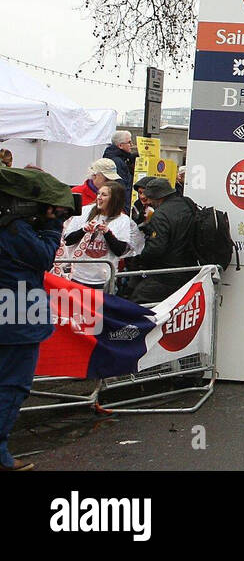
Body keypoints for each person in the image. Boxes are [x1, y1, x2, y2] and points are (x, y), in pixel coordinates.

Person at [0, 168, 70, 470]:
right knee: (12, 384)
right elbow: (42, 257)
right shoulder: (13, 229)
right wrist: (53, 226)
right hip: (16, 317)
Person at [58, 180, 144, 287]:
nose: (99, 197)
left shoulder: (122, 220)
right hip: (77, 276)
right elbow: (67, 240)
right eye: (98, 193)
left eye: (104, 195)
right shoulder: (85, 211)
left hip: (102, 280)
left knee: (98, 304)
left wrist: (107, 233)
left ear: (114, 199)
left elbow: (120, 251)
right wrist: (84, 230)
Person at [127, 177, 199, 304]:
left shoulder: (161, 214)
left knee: (137, 301)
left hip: (167, 272)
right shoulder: (187, 203)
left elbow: (156, 248)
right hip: (189, 269)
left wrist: (139, 260)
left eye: (149, 197)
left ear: (158, 197)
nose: (147, 201)